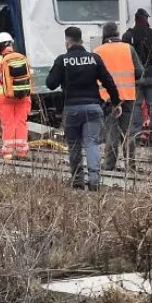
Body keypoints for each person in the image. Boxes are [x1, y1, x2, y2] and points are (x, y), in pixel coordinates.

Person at [46, 26, 120, 190]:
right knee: (92, 143)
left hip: (72, 108)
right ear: (82, 40)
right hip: (93, 108)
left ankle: (78, 180)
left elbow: (50, 84)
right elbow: (109, 82)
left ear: (67, 41)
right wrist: (116, 102)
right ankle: (94, 181)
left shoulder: (62, 60)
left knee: (74, 145)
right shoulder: (94, 58)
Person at [95, 21, 143, 171]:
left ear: (104, 34)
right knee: (128, 132)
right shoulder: (128, 48)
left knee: (111, 131)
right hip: (128, 96)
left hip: (106, 97)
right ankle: (131, 165)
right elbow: (140, 72)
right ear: (117, 34)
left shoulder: (97, 51)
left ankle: (109, 164)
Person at [122, 9, 152, 147]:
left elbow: (125, 58)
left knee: (136, 106)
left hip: (134, 77)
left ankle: (135, 136)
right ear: (146, 19)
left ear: (135, 19)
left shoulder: (128, 36)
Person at [0, 32, 33, 160]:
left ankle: (8, 154)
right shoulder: (22, 58)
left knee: (8, 124)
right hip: (23, 97)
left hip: (4, 98)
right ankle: (22, 152)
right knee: (21, 122)